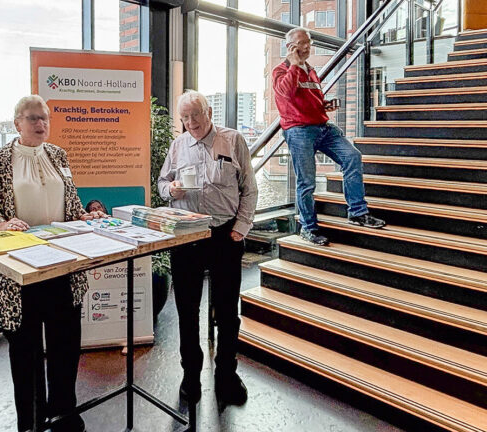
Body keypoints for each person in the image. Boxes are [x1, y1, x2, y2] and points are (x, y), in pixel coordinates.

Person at [0, 95, 104, 432]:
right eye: (32, 118)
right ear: (17, 124)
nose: (41, 124)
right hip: (20, 276)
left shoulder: (58, 155)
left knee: (65, 346)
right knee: (26, 354)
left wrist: (84, 216)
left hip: (62, 268)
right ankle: (30, 422)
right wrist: (1, 224)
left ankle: (64, 414)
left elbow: (70, 202)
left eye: (44, 117)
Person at [158, 90, 258, 407]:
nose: (191, 123)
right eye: (184, 118)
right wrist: (170, 189)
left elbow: (249, 190)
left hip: (225, 234)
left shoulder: (233, 140)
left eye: (195, 115)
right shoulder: (177, 146)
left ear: (209, 112)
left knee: (227, 312)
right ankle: (191, 376)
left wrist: (241, 228)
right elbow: (163, 184)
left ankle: (227, 375)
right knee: (187, 312)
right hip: (188, 235)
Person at [274, 27, 385, 246]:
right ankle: (308, 228)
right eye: (301, 43)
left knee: (352, 157)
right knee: (306, 182)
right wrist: (294, 65)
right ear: (290, 47)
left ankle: (357, 213)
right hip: (298, 131)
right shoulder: (281, 70)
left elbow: (308, 98)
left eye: (308, 42)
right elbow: (285, 94)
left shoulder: (311, 70)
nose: (306, 47)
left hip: (323, 127)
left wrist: (323, 104)